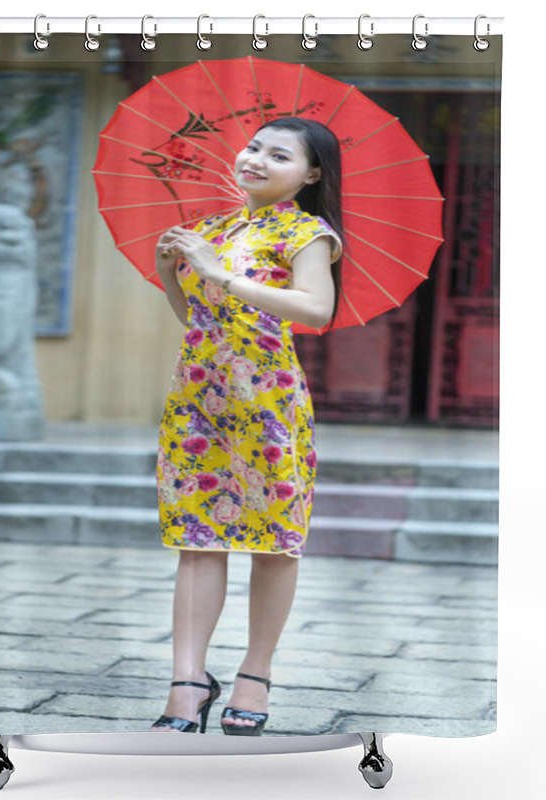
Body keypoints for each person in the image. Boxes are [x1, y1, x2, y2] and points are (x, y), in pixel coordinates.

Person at [149, 117, 344, 735]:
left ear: (309, 175)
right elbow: (198, 317)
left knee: (274, 541)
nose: (256, 159)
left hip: (266, 402)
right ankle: (186, 683)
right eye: (254, 146)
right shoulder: (210, 228)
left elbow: (317, 308)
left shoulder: (308, 231)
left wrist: (220, 272)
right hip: (198, 401)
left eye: (278, 154)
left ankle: (254, 675)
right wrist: (169, 271)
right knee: (198, 539)